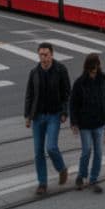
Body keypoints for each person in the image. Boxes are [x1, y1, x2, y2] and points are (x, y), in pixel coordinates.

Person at [24, 42, 70, 197]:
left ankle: (61, 169)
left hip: (54, 115)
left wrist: (64, 112)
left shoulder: (60, 70)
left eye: (45, 54)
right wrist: (27, 116)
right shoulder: (34, 72)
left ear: (52, 54)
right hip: (37, 117)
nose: (43, 58)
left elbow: (66, 93)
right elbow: (29, 95)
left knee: (51, 147)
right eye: (40, 54)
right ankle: (42, 183)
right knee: (38, 152)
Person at [70, 53, 105, 193]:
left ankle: (93, 179)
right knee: (87, 150)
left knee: (99, 152)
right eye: (93, 66)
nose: (95, 68)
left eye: (97, 65)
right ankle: (81, 176)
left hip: (100, 122)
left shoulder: (104, 79)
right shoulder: (80, 82)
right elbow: (73, 104)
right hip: (85, 124)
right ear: (88, 66)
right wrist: (74, 122)